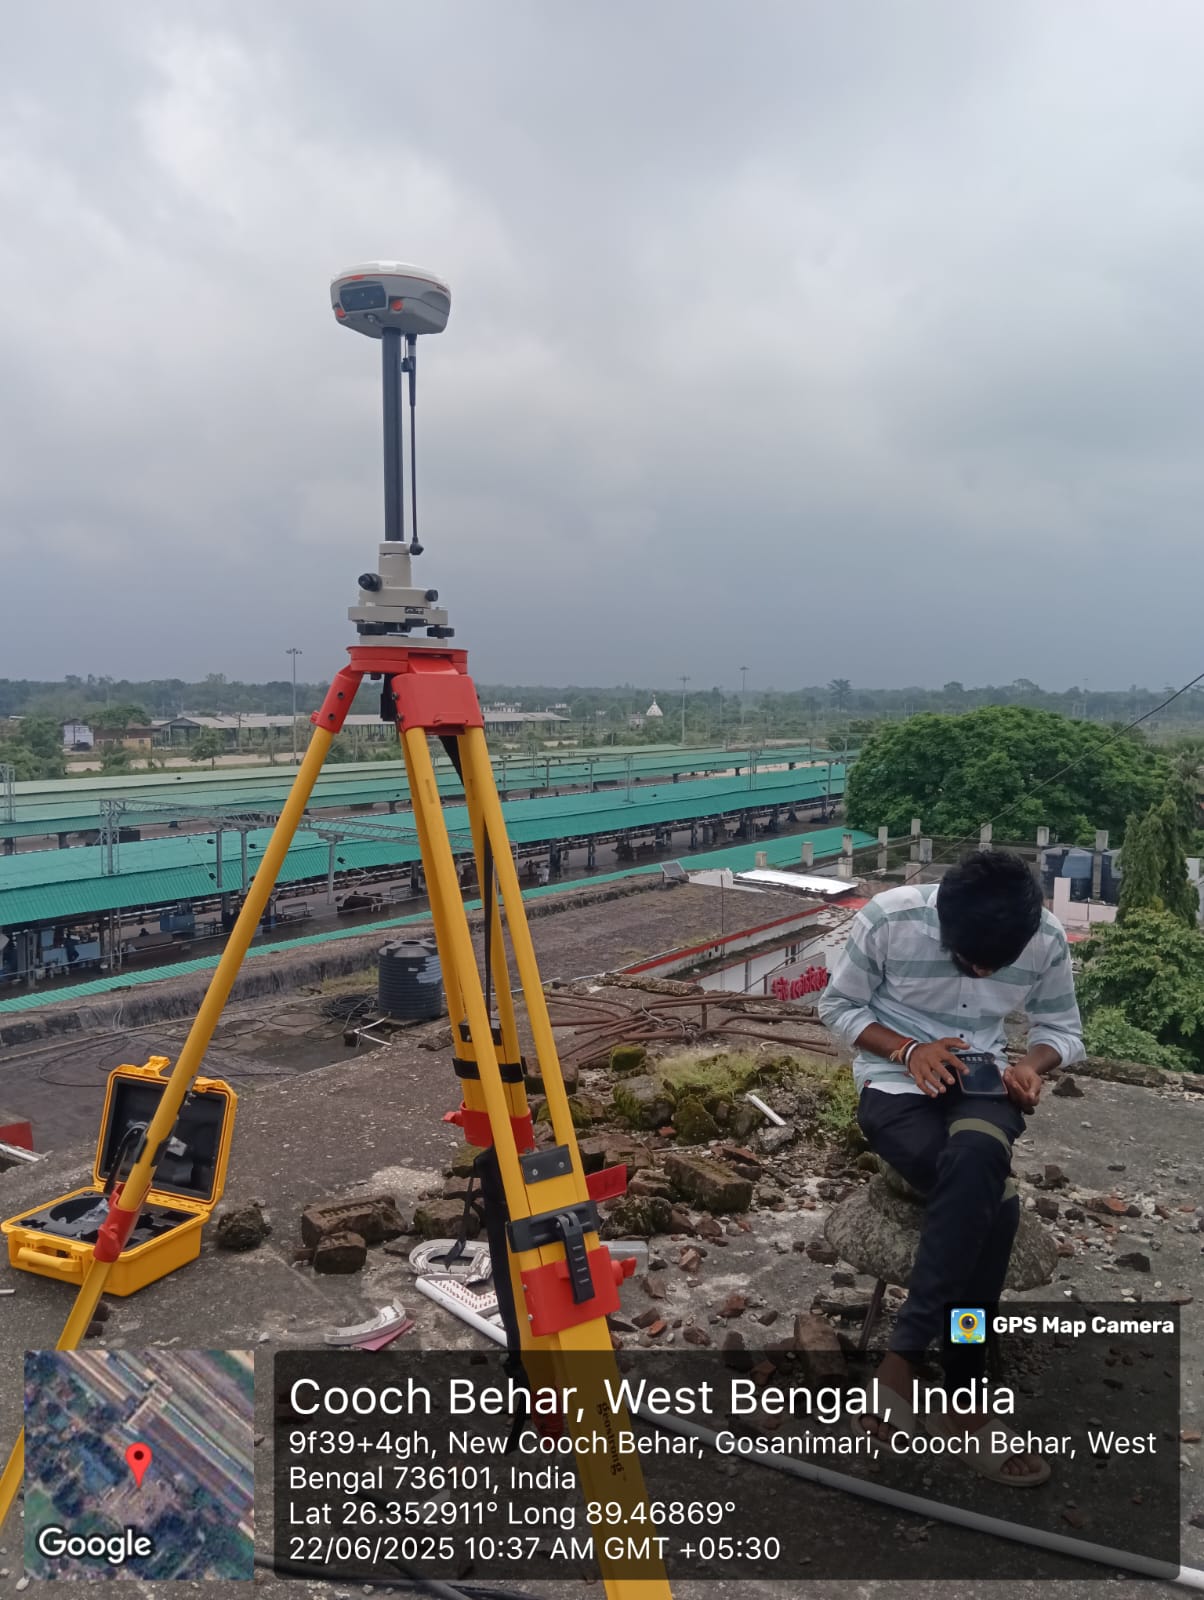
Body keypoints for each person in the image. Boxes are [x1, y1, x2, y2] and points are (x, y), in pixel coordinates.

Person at [818, 850, 1083, 1486]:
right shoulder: (889, 919)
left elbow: (1063, 1030)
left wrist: (1031, 1067)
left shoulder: (1045, 938)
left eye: (999, 964)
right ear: (943, 922)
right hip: (892, 1082)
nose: (985, 971)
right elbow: (838, 1007)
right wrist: (909, 1049)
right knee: (994, 1205)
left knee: (976, 1171)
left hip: (984, 1081)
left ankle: (903, 1358)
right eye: (970, 960)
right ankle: (966, 1396)